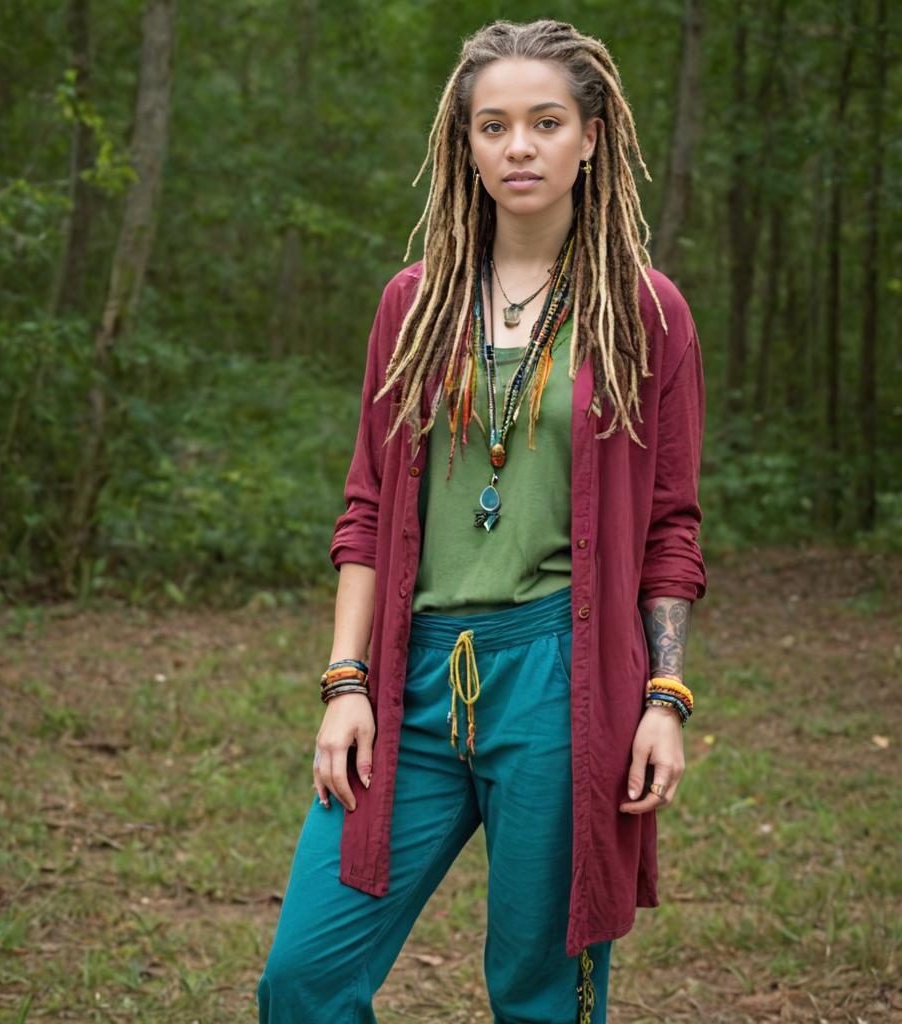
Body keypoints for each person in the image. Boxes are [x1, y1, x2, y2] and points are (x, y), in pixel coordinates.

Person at [256, 18, 707, 1024]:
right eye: (492, 124)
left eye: (545, 121)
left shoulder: (647, 314)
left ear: (591, 136)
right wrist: (345, 683)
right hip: (412, 678)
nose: (518, 146)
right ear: (463, 143)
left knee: (537, 993)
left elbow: (670, 528)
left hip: (560, 676)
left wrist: (663, 698)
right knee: (304, 978)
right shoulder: (412, 306)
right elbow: (367, 509)